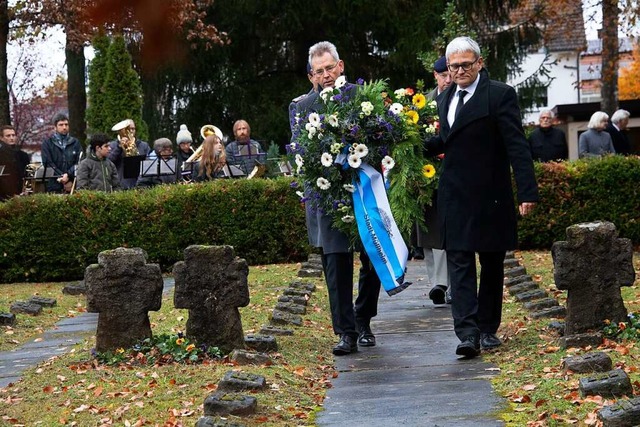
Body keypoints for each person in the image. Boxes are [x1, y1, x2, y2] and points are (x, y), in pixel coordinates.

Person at [425, 36, 538, 358]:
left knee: (490, 263)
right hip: (455, 195)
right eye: (453, 66)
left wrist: (527, 191)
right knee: (459, 262)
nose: (459, 71)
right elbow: (447, 140)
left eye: (465, 64)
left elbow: (517, 145)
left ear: (479, 63)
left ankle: (488, 328)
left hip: (491, 194)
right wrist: (407, 146)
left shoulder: (499, 95)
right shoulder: (445, 98)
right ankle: (467, 333)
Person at [294, 41, 381, 356]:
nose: (326, 75)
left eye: (330, 68)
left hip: (364, 190)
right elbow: (301, 154)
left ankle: (364, 318)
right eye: (319, 71)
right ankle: (345, 332)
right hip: (326, 196)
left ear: (341, 66)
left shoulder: (362, 99)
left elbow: (378, 142)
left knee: (372, 258)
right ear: (312, 76)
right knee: (335, 265)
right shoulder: (301, 107)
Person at [420, 56, 452, 305]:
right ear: (436, 75)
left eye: (450, 73)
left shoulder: (461, 98)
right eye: (443, 75)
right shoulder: (424, 103)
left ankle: (451, 285)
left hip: (452, 173)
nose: (448, 79)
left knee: (453, 231)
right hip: (428, 174)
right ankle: (438, 284)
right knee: (430, 233)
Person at [41, 113, 82, 193]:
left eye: (66, 124)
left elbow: (79, 162)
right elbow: (48, 163)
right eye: (61, 125)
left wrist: (68, 175)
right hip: (53, 184)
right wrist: (62, 177)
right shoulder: (47, 143)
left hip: (72, 184)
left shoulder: (75, 142)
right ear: (55, 127)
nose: (64, 127)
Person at [108, 119, 151, 189]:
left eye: (133, 129)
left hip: (139, 184)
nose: (131, 131)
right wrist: (119, 147)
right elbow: (109, 162)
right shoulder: (112, 145)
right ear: (121, 130)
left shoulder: (143, 145)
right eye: (128, 129)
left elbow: (147, 164)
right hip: (120, 185)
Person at [0, 125, 30, 198]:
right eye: (8, 136)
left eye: (13, 135)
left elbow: (27, 175)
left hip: (22, 193)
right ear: (1, 138)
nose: (11, 138)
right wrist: (11, 195)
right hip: (3, 196)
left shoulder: (23, 155)